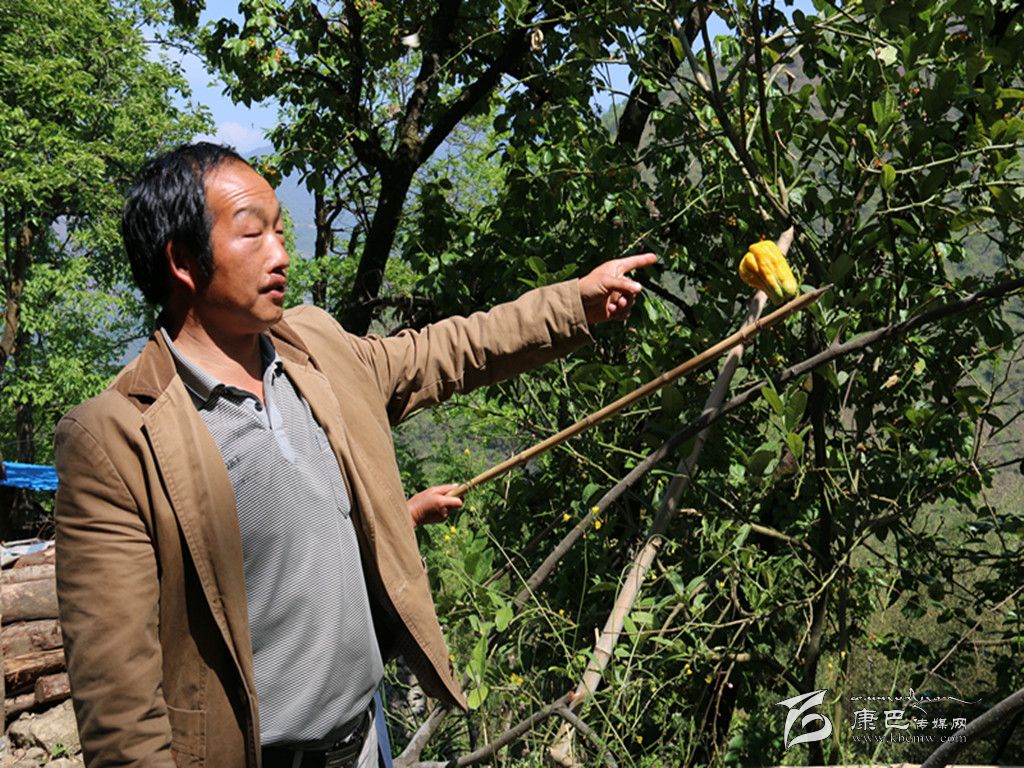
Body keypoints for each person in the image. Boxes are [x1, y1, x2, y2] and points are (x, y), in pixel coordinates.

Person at [54, 142, 655, 768]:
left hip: (368, 742)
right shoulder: (118, 440)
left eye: (280, 231)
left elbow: (443, 351)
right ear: (183, 260)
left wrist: (573, 305)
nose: (280, 254)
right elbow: (121, 712)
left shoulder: (312, 347)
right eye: (253, 234)